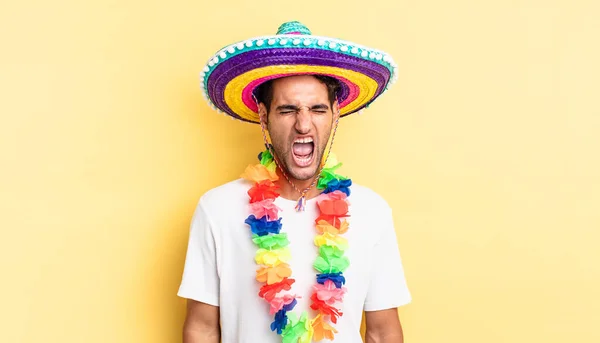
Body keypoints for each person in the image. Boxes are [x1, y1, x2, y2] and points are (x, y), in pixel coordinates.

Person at [178, 21, 411, 343]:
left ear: (335, 113)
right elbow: (202, 327)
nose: (303, 124)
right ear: (263, 116)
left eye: (317, 109)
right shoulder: (217, 208)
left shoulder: (371, 210)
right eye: (288, 110)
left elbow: (383, 332)